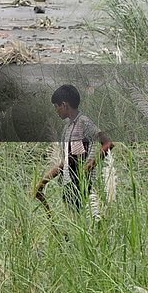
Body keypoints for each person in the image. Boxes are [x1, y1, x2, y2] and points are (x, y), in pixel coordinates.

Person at [34, 84, 114, 212]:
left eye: (56, 106)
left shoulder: (83, 123)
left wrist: (92, 164)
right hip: (70, 179)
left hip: (79, 180)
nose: (56, 110)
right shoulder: (69, 126)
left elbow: (107, 143)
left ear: (64, 105)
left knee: (75, 216)